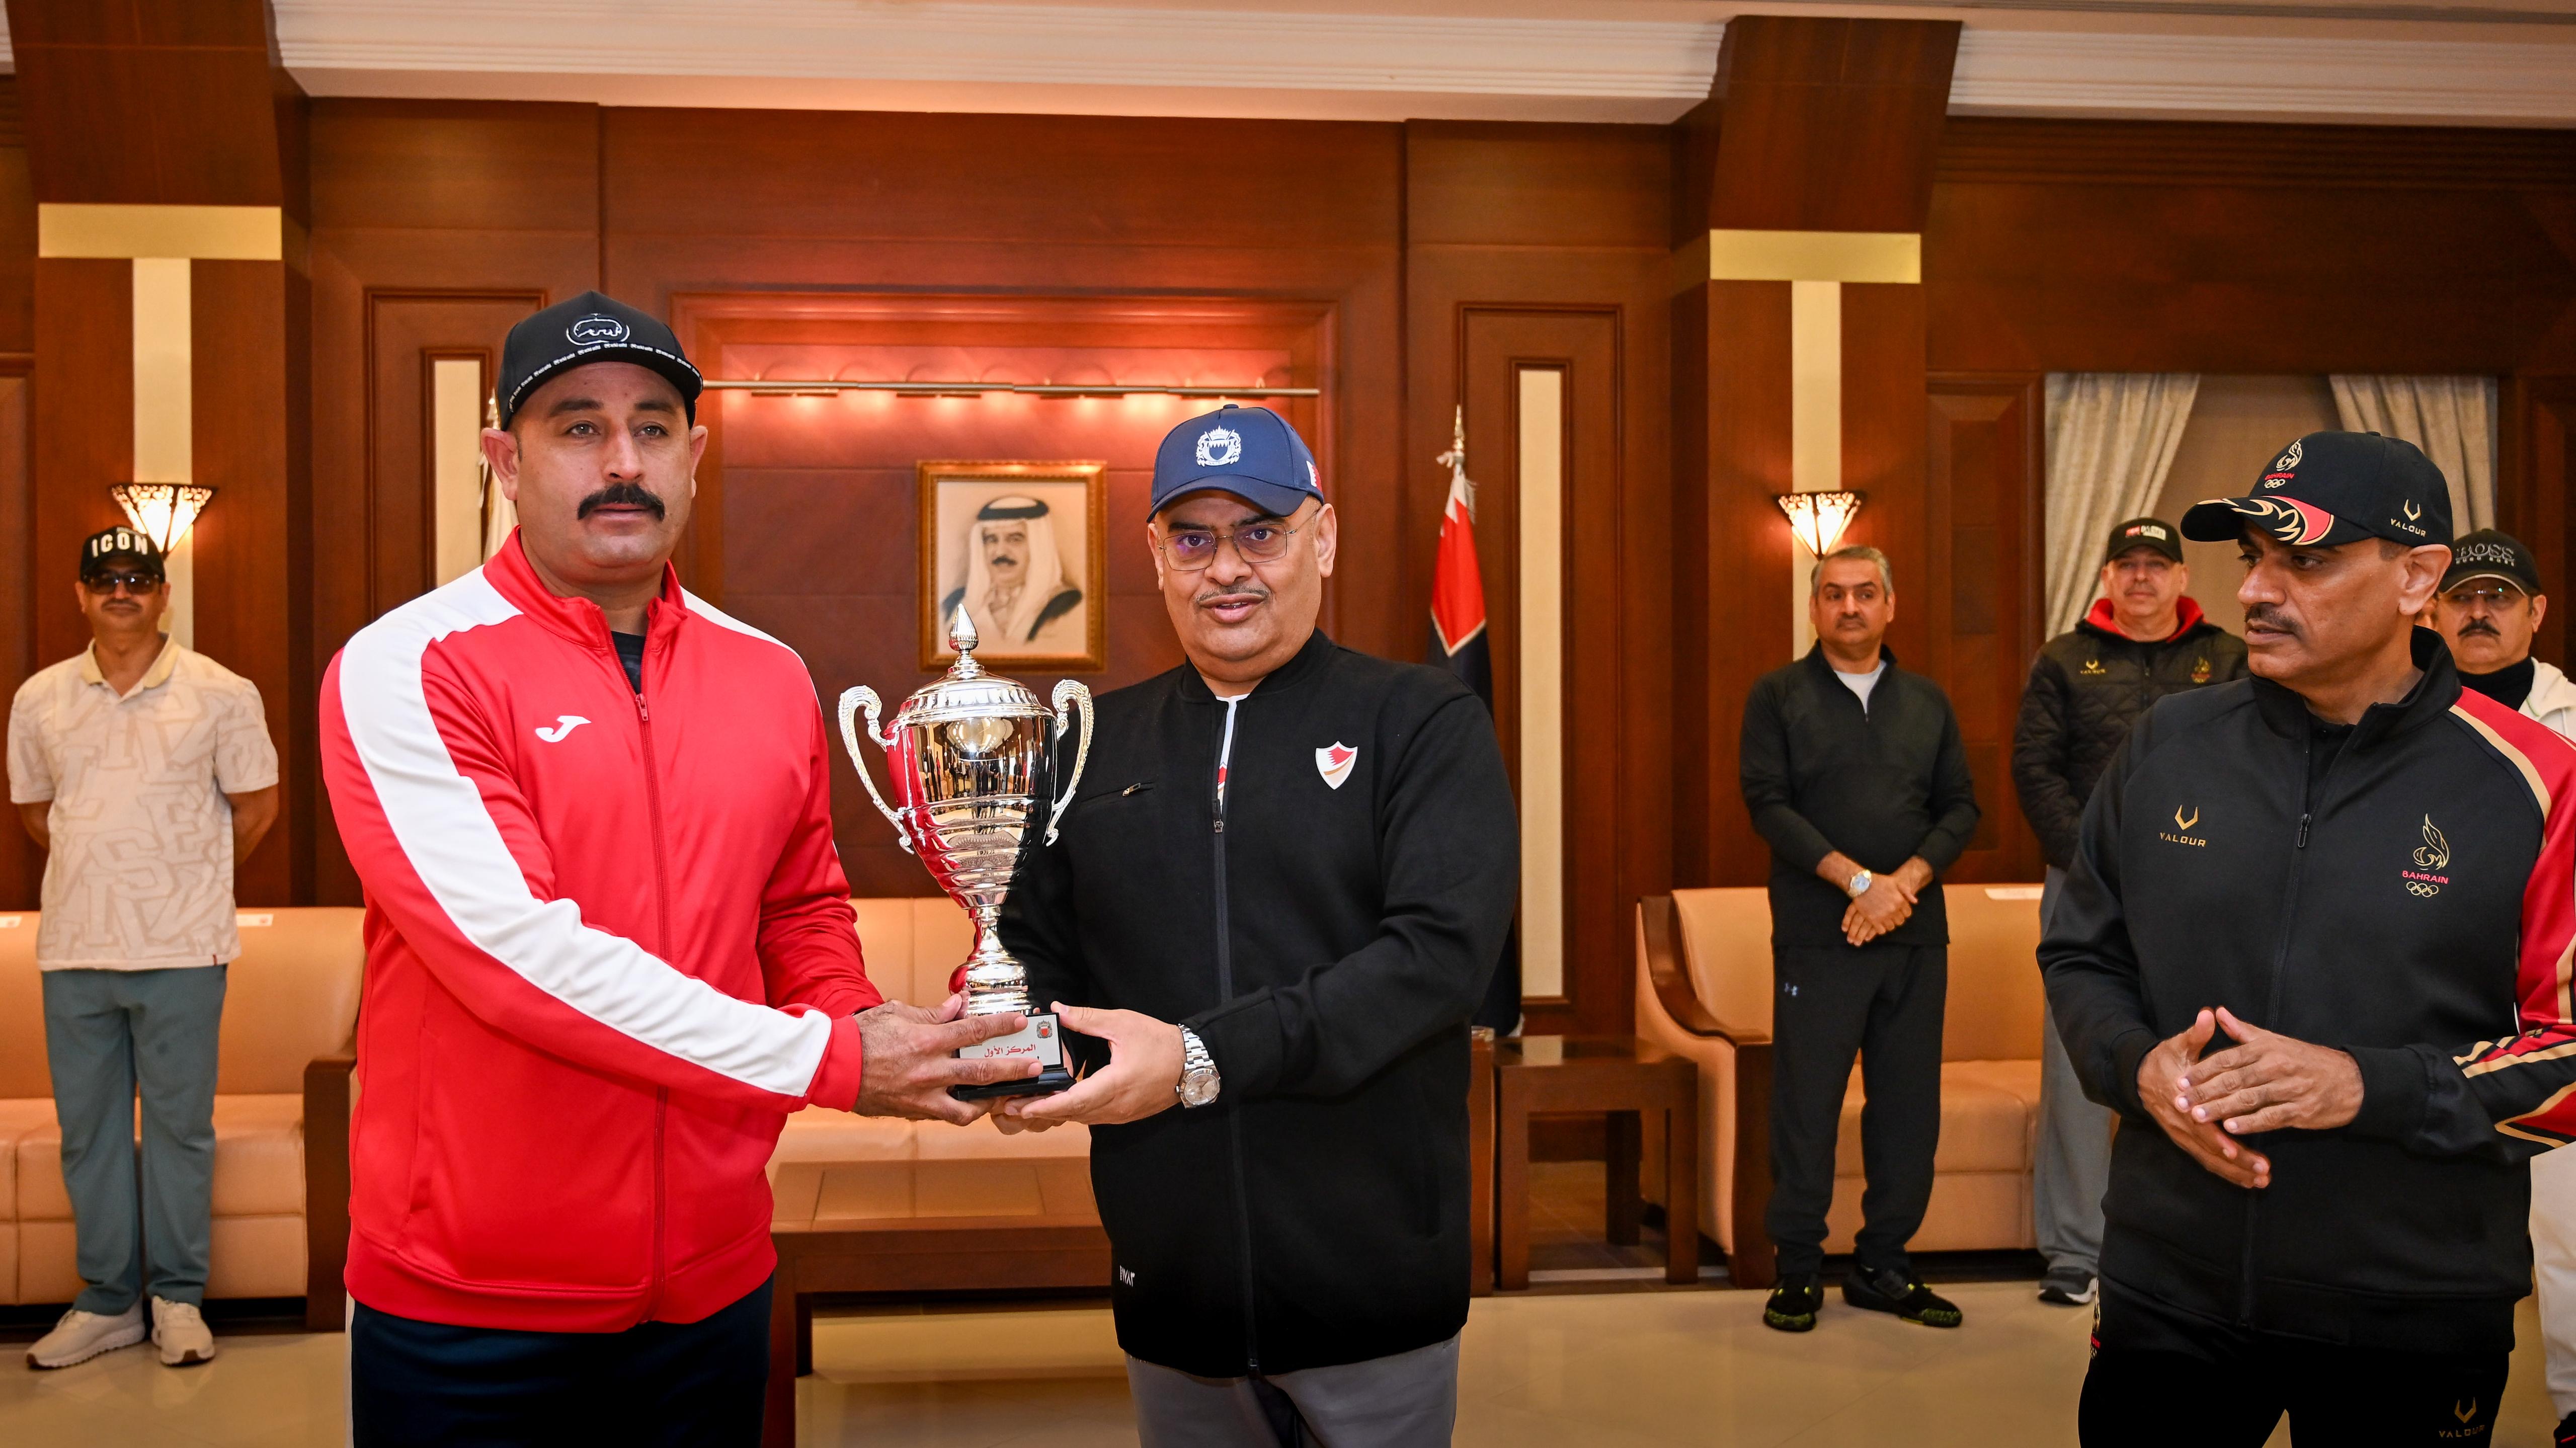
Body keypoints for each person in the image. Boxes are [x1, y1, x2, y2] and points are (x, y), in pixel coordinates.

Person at [319, 292, 1034, 1447]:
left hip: (711, 1285)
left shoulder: (769, 673)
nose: (622, 462)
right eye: (577, 427)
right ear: (505, 459)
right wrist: (838, 1060)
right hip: (471, 1307)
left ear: (694, 458)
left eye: (652, 428)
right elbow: (519, 956)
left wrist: (869, 1020)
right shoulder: (409, 665)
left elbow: (799, 909)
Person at [988, 403, 1517, 1446]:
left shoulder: (1422, 721)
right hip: (1172, 1283)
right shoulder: (1088, 741)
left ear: (1323, 538)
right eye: (1192, 539)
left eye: (1260, 532)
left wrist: (1200, 1056)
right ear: (1156, 555)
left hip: (1372, 1287)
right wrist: (1009, 1050)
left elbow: (1436, 960)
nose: (1226, 568)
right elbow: (1030, 946)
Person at [2043, 431, 2576, 1446]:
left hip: (2410, 1306)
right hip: (2170, 1288)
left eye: (2308, 560)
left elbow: (2569, 1054)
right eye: (2254, 557)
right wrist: (2135, 1064)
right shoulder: (2166, 746)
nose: (2255, 590)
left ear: (2417, 577)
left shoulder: (2538, 782)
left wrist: (2367, 1085)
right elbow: (2083, 953)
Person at [8, 527, 280, 1371]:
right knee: (87, 1133)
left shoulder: (222, 692)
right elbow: (37, 815)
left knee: (179, 1130)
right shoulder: (39, 698)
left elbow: (257, 808)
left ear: (165, 593)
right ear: (81, 595)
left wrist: (181, 876)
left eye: (138, 577)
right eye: (104, 579)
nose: (120, 590)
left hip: (184, 946)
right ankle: (106, 1300)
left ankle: (178, 1298)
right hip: (75, 948)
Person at [1739, 545, 1980, 1333]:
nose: (1850, 607)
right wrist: (1857, 883)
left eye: (1865, 593)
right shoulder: (1778, 695)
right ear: (1814, 608)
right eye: (1835, 594)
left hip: (1915, 935)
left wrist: (1901, 885)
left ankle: (1885, 1265)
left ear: (1890, 604)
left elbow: (1961, 807)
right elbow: (1768, 804)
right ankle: (1798, 1269)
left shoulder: (1928, 701)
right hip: (1818, 936)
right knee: (1806, 1105)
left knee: (1908, 1109)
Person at [2010, 517, 2247, 1308]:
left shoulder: (2227, 656)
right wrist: (2093, 861)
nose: (2142, 577)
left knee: (2209, 1050)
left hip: (2203, 885)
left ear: (2182, 578)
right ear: (2108, 577)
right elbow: (2035, 768)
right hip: (2082, 882)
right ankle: (2074, 1249)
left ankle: (2196, 1241)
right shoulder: (2062, 658)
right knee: (2078, 1056)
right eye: (2128, 564)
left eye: (2157, 564)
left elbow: (2251, 763)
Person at [2425, 528, 2576, 1446]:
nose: (2480, 612)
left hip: (2556, 1015)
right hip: (2439, 1009)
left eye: (2501, 597)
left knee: (2569, 1232)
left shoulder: (2572, 723)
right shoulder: (2401, 713)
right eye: (2465, 596)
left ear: (2536, 612)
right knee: (2446, 1238)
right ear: (2433, 609)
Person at [940, 494, 1084, 649]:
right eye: (991, 540)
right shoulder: (954, 604)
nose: (1000, 552)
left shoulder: (1064, 606)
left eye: (1015, 539)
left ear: (1038, 547)